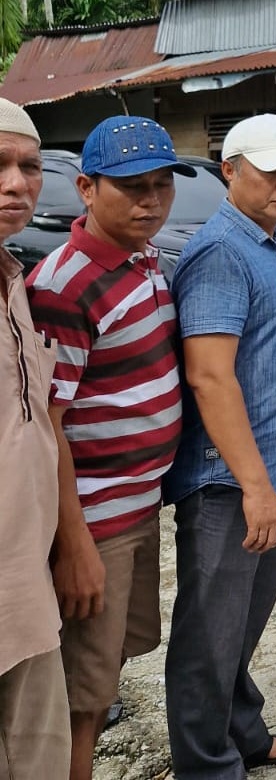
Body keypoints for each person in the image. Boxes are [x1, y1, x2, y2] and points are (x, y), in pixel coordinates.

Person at [26, 116, 191, 780]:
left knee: (110, 662)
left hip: (137, 507)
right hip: (95, 520)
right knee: (81, 692)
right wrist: (74, 547)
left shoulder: (144, 258)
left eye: (161, 185)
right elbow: (47, 423)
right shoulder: (62, 287)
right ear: (87, 189)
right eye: (132, 187)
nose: (151, 201)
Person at [163, 114, 276, 776]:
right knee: (210, 635)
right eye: (270, 171)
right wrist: (256, 487)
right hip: (232, 482)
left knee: (242, 625)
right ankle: (207, 765)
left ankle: (242, 736)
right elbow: (209, 375)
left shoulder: (270, 241)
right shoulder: (222, 252)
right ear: (229, 170)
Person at [0, 98, 71, 780]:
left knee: (39, 755)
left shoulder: (16, 280)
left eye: (29, 167)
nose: (16, 184)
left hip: (26, 581)